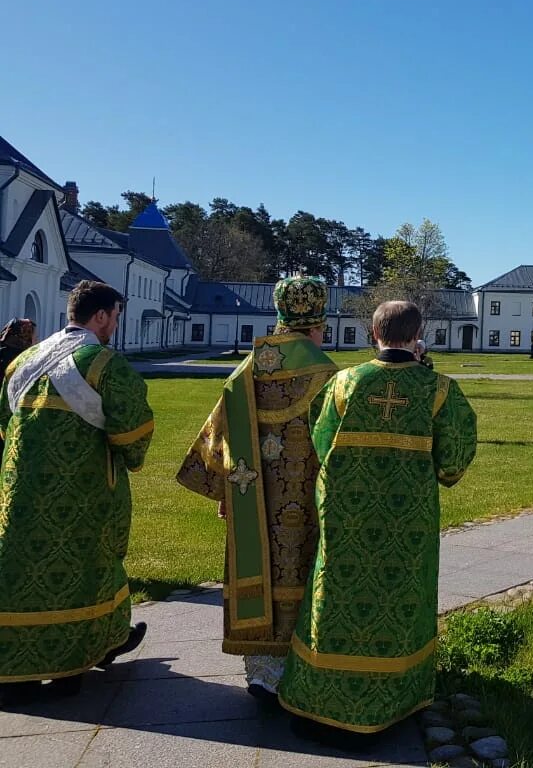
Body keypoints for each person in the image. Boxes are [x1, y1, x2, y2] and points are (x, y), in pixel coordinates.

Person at [279, 300, 476, 739]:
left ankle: (322, 697)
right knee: (400, 597)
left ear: (374, 334)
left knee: (336, 595)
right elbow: (454, 460)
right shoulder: (439, 389)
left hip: (346, 516)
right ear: (417, 335)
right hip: (408, 521)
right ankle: (394, 697)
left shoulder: (345, 382)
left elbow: (321, 440)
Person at [178, 276, 338, 700]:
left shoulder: (247, 369)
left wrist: (225, 492)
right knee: (303, 573)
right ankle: (302, 667)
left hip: (253, 498)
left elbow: (219, 435)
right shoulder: (327, 374)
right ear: (317, 322)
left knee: (262, 571)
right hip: (306, 500)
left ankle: (262, 672)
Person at [0, 281, 153, 703]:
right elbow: (133, 429)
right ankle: (74, 661)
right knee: (87, 568)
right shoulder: (102, 363)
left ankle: (16, 669)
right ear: (100, 316)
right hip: (83, 496)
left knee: (19, 571)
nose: (115, 326)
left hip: (19, 494)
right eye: (115, 317)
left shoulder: (24, 359)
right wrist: (129, 456)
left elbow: (4, 422)